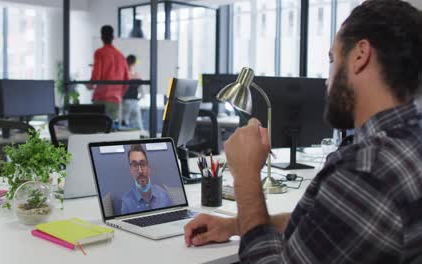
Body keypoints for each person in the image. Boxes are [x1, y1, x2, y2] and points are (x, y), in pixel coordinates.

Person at [184, 0, 422, 263]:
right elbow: (327, 228)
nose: (326, 79)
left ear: (359, 55)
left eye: (332, 59)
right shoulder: (408, 143)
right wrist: (236, 225)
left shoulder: (367, 170)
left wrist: (247, 176)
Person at [88, 25, 129, 123]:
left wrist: (89, 85)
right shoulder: (120, 55)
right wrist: (119, 94)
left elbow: (96, 76)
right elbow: (127, 81)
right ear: (113, 37)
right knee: (111, 130)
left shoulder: (100, 53)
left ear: (101, 37)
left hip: (101, 98)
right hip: (115, 99)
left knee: (98, 129)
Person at [121, 144, 173, 214]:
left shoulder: (163, 195)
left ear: (148, 167)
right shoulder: (126, 202)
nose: (140, 171)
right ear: (131, 170)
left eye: (143, 164)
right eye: (135, 165)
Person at [122, 55, 144, 130]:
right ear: (134, 63)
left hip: (125, 102)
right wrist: (138, 99)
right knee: (137, 125)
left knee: (123, 124)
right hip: (134, 102)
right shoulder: (137, 75)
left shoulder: (123, 74)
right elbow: (142, 93)